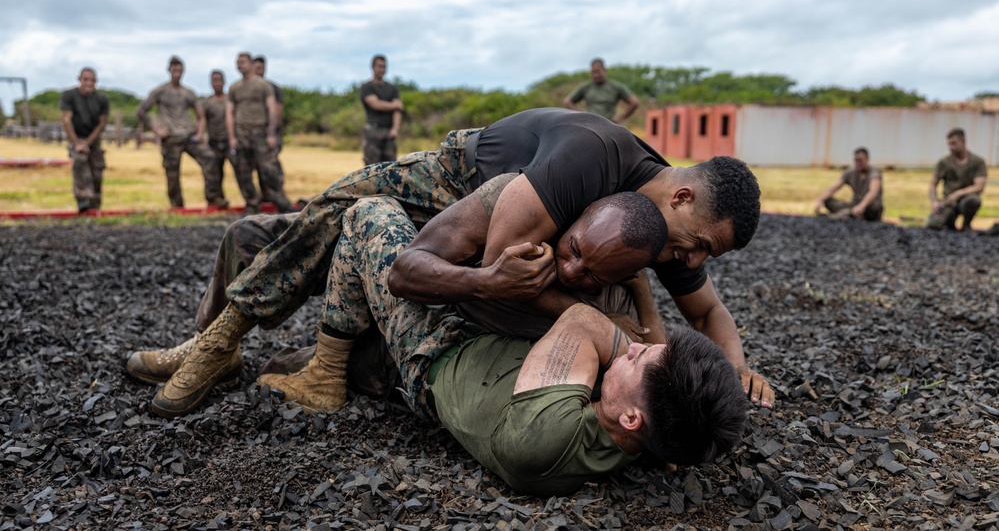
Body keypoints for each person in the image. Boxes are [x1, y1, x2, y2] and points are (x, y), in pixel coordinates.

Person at [130, 108, 772, 417]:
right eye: (702, 244)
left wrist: (737, 376)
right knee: (297, 221)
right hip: (457, 184)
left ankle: (301, 358)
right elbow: (500, 275)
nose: (691, 259)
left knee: (283, 235)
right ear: (682, 195)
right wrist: (607, 326)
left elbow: (709, 310)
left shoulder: (658, 233)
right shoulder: (594, 160)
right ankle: (211, 347)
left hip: (474, 243)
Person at [262, 195, 746, 496]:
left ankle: (325, 374)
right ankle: (334, 359)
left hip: (435, 350)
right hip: (488, 353)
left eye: (640, 361)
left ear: (632, 418)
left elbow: (583, 321)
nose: (636, 349)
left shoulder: (544, 439)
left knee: (371, 213)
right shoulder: (645, 433)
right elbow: (654, 377)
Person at [253, 174, 669, 411]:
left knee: (368, 211)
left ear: (624, 274)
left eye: (594, 274)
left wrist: (638, 292)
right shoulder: (520, 215)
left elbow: (659, 372)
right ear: (573, 219)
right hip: (431, 348)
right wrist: (490, 279)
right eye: (574, 249)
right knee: (281, 362)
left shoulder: (617, 295)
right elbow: (406, 273)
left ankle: (326, 374)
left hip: (440, 362)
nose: (572, 269)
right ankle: (324, 366)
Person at [137, 56, 221, 208]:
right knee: (172, 174)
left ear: (183, 71)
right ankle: (177, 206)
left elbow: (201, 116)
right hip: (170, 138)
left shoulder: (188, 92)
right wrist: (157, 130)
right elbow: (142, 111)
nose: (177, 73)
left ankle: (213, 198)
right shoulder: (160, 91)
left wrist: (200, 133)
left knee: (209, 157)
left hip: (188, 136)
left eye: (180, 70)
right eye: (174, 69)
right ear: (169, 70)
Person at [225, 51, 294, 214]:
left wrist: (271, 133)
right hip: (242, 133)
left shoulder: (263, 86)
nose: (239, 65)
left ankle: (281, 203)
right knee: (243, 171)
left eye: (242, 62)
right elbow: (229, 113)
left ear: (249, 64)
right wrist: (232, 137)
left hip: (260, 132)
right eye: (237, 62)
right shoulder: (234, 88)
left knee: (269, 169)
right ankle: (252, 203)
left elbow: (272, 110)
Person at [60, 67, 109, 213]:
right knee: (80, 161)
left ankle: (95, 206)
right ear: (79, 80)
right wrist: (77, 143)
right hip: (76, 137)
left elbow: (102, 123)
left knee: (97, 172)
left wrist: (88, 143)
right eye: (86, 79)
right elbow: (66, 120)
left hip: (93, 139)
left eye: (92, 80)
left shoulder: (101, 99)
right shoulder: (69, 96)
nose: (89, 83)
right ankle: (82, 200)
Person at [198, 70, 246, 208]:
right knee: (214, 174)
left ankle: (251, 199)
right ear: (211, 83)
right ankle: (216, 200)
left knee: (241, 171)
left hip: (230, 143)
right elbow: (201, 120)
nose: (217, 83)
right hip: (213, 143)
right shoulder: (207, 103)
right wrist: (200, 134)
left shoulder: (230, 101)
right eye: (214, 80)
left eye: (219, 80)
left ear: (224, 82)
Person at [926, 128, 987, 231]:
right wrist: (934, 201)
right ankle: (950, 222)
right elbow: (933, 184)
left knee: (973, 200)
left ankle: (966, 224)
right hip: (948, 201)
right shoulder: (944, 162)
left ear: (963, 142)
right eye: (949, 144)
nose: (951, 147)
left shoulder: (978, 162)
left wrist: (959, 193)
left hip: (966, 199)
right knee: (933, 224)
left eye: (954, 143)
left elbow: (979, 186)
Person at [252, 55, 290, 206]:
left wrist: (272, 132)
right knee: (258, 166)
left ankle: (279, 198)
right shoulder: (248, 88)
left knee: (271, 167)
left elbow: (278, 111)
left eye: (261, 68)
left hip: (269, 133)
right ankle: (265, 196)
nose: (258, 71)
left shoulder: (272, 88)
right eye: (256, 67)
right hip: (252, 133)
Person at [813, 147, 883, 221]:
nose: (858, 163)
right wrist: (820, 200)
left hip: (869, 207)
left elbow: (873, 192)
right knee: (828, 201)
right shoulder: (850, 173)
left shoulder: (874, 173)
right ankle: (849, 214)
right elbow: (834, 188)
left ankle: (840, 216)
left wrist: (862, 206)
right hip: (853, 206)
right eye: (856, 160)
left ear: (867, 159)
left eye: (861, 160)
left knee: (873, 208)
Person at [563, 58, 640, 124]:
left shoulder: (616, 86)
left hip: (608, 124)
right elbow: (567, 101)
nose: (596, 75)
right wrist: (579, 115)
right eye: (593, 72)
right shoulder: (586, 87)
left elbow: (634, 103)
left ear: (604, 70)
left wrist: (622, 116)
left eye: (598, 72)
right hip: (590, 124)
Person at [360, 54, 403, 165]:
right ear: (373, 67)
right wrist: (395, 105)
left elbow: (397, 111)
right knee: (371, 168)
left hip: (389, 132)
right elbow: (376, 104)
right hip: (373, 131)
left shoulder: (392, 88)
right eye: (379, 66)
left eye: (384, 66)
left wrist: (395, 129)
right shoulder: (367, 87)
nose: (382, 69)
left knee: (391, 168)